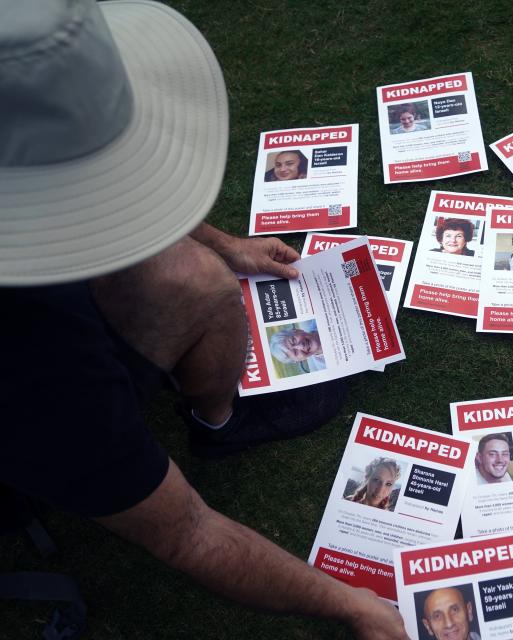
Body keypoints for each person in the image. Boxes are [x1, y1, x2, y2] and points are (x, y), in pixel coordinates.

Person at [0, 3, 407, 638]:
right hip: (28, 404)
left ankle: (215, 418)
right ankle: (213, 427)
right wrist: (351, 604)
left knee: (195, 275)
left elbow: (105, 186)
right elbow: (187, 531)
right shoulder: (37, 365)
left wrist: (225, 246)